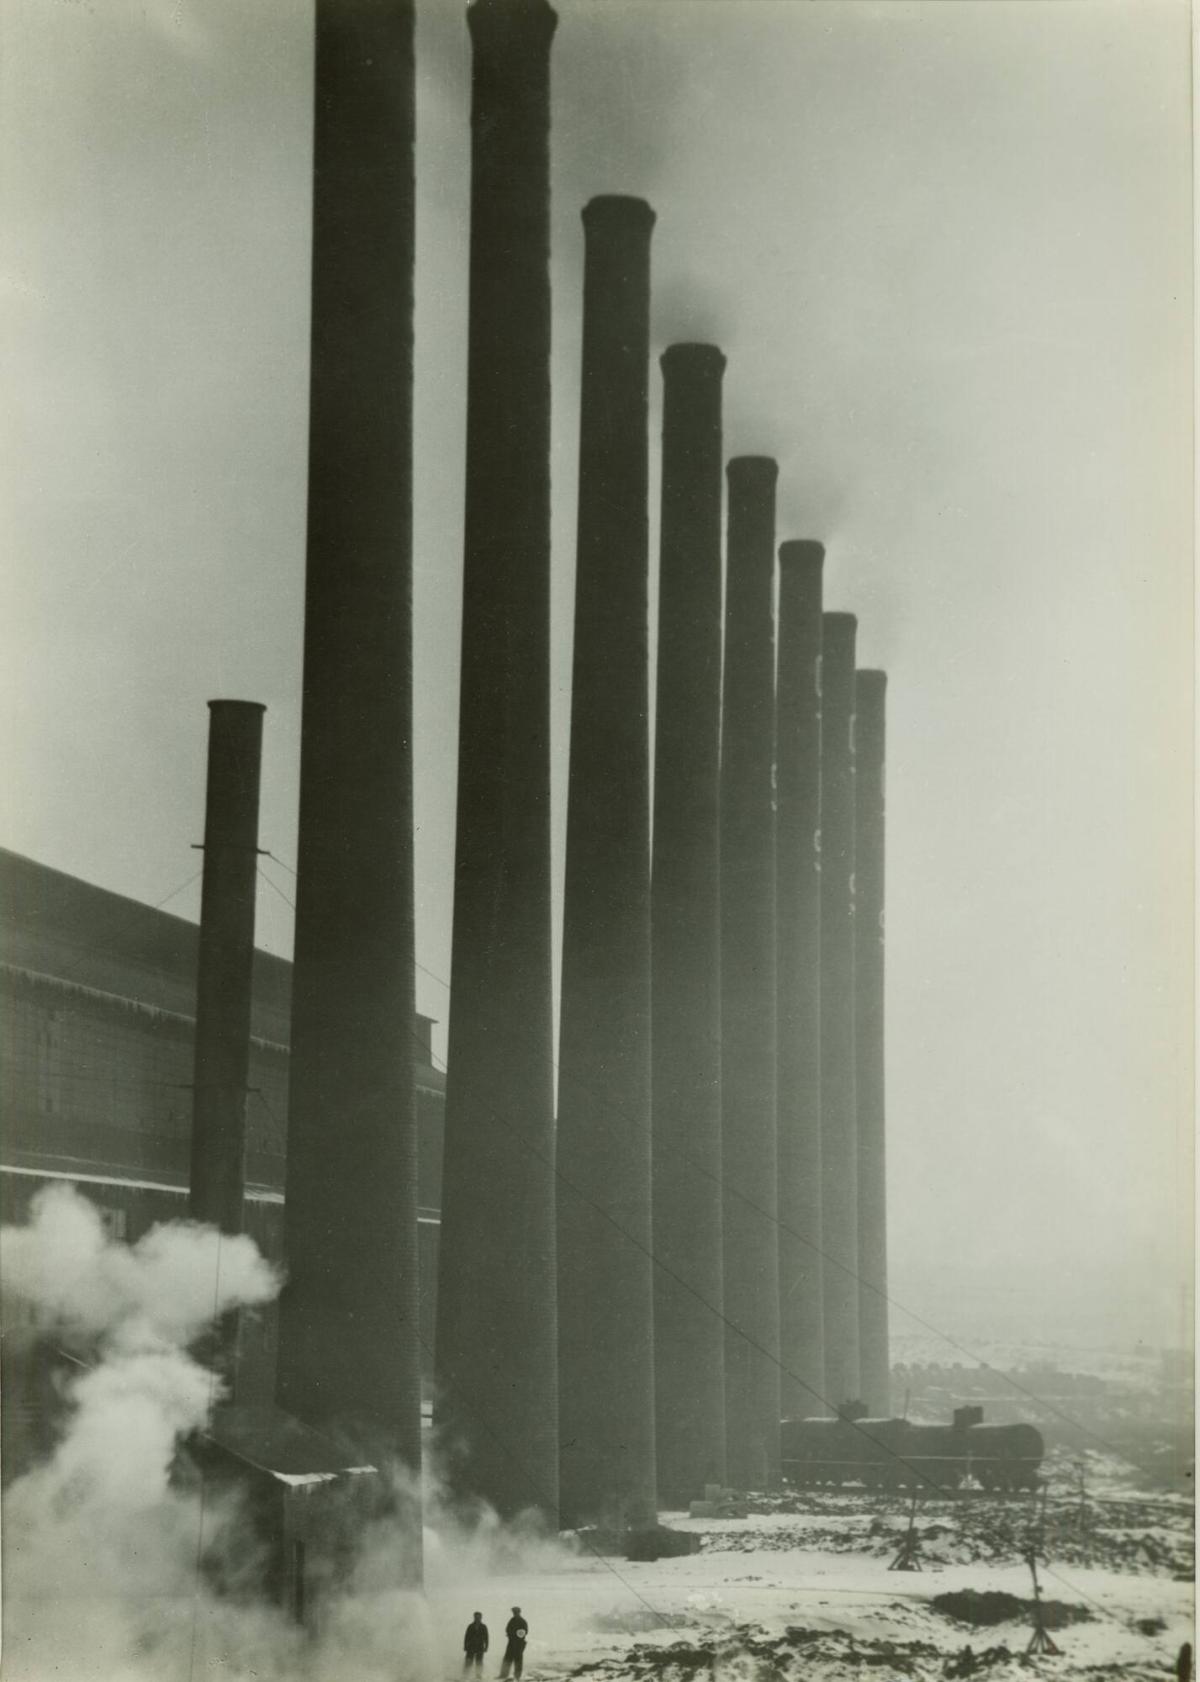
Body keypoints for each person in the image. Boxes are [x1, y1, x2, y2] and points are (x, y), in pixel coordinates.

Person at [499, 1606, 529, 1680]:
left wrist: (515, 1635)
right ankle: (503, 1674)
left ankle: (517, 1676)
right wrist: (511, 1635)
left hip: (519, 1643)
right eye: (513, 1612)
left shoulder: (522, 1621)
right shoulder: (512, 1620)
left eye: (516, 1612)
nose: (514, 1613)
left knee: (518, 1659)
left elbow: (525, 1632)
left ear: (519, 1612)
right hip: (511, 1642)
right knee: (507, 1658)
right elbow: (507, 1629)